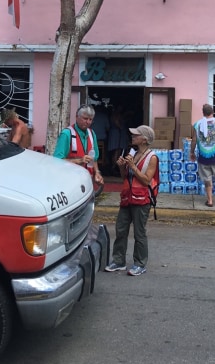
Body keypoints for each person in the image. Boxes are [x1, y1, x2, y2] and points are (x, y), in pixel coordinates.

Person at [105, 125, 158, 276]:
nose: (133, 136)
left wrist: (133, 167)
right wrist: (123, 167)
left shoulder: (151, 157)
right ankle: (119, 261)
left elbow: (147, 180)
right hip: (128, 196)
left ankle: (140, 263)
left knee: (139, 233)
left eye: (136, 135)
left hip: (142, 199)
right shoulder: (133, 153)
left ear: (144, 140)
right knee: (121, 229)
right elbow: (126, 178)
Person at [53, 104, 104, 188]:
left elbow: (94, 159)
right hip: (69, 183)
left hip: (87, 182)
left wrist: (97, 173)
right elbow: (57, 161)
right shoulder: (66, 134)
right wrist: (79, 160)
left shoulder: (92, 134)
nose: (88, 122)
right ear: (77, 117)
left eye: (90, 119)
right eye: (85, 118)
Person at [189, 103, 215, 208]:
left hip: (203, 157)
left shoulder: (197, 124)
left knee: (207, 179)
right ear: (213, 112)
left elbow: (194, 140)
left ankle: (210, 201)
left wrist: (192, 152)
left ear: (203, 113)